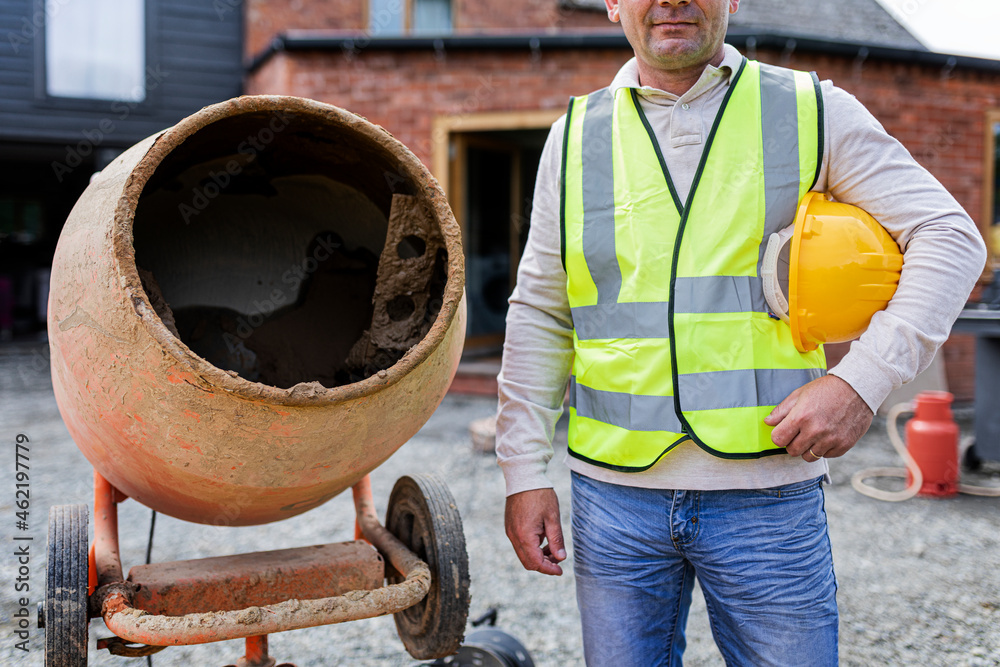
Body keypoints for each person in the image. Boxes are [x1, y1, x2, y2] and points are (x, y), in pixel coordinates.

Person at [495, 0, 987, 665]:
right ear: (611, 2)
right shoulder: (574, 136)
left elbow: (950, 237)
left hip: (768, 499)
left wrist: (859, 383)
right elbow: (542, 310)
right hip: (614, 500)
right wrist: (523, 470)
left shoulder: (809, 110)